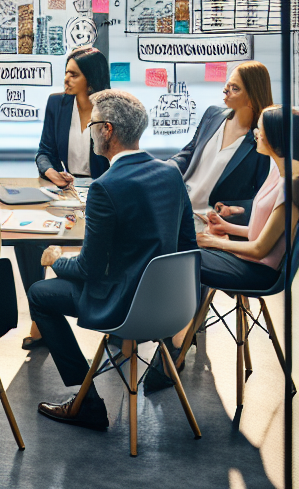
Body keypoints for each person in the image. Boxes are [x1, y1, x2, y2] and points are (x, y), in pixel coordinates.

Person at [29, 90, 196, 431]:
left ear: (106, 130)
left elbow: (89, 269)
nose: (88, 131)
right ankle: (85, 397)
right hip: (171, 305)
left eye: (91, 125)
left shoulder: (106, 187)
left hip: (123, 307)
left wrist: (57, 259)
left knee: (39, 293)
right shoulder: (170, 174)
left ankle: (85, 401)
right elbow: (187, 245)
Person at [144, 103, 298, 393]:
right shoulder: (280, 173)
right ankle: (173, 339)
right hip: (253, 261)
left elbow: (260, 249)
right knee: (181, 252)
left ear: (275, 137)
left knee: (179, 258)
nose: (255, 134)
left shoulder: (291, 184)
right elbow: (261, 233)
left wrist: (215, 241)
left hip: (258, 271)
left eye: (260, 130)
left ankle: (172, 343)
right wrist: (225, 228)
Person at [16, 47, 111, 351]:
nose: (66, 78)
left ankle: (112, 316)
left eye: (74, 74)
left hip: (102, 191)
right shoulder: (57, 103)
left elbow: (118, 157)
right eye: (66, 71)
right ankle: (39, 319)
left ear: (91, 79)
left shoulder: (110, 107)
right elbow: (43, 151)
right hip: (63, 189)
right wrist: (51, 172)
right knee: (26, 239)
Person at [167, 61, 272, 215]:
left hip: (212, 221)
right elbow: (190, 151)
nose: (225, 91)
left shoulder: (261, 142)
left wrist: (231, 210)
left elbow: (262, 197)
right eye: (227, 85)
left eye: (234, 88)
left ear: (252, 97)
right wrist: (166, 168)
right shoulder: (212, 115)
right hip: (178, 208)